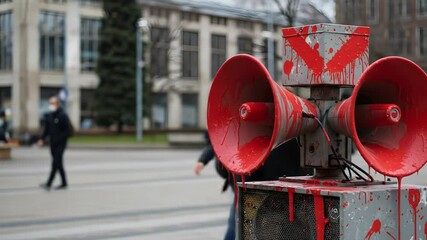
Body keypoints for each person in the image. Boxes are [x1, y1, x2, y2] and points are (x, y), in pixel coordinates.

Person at [38, 97, 72, 190]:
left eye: (53, 103)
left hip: (60, 144)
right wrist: (41, 139)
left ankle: (49, 183)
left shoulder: (63, 115)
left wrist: (59, 138)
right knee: (59, 163)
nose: (51, 106)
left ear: (58, 105)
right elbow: (46, 129)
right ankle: (64, 183)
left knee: (55, 162)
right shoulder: (50, 115)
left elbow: (69, 131)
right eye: (50, 103)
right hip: (52, 143)